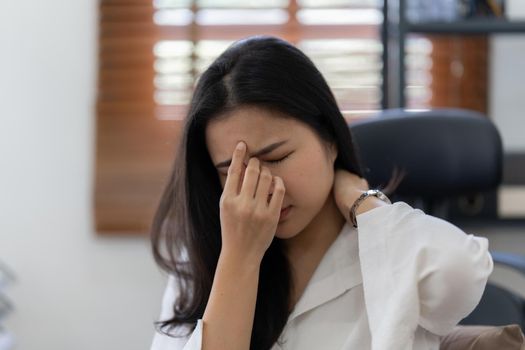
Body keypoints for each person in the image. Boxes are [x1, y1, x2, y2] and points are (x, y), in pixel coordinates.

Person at [149, 36, 493, 350]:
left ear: (329, 138)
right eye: (232, 172)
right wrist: (240, 258)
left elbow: (462, 276)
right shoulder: (205, 255)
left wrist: (359, 200)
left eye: (277, 157)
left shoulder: (385, 245)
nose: (263, 188)